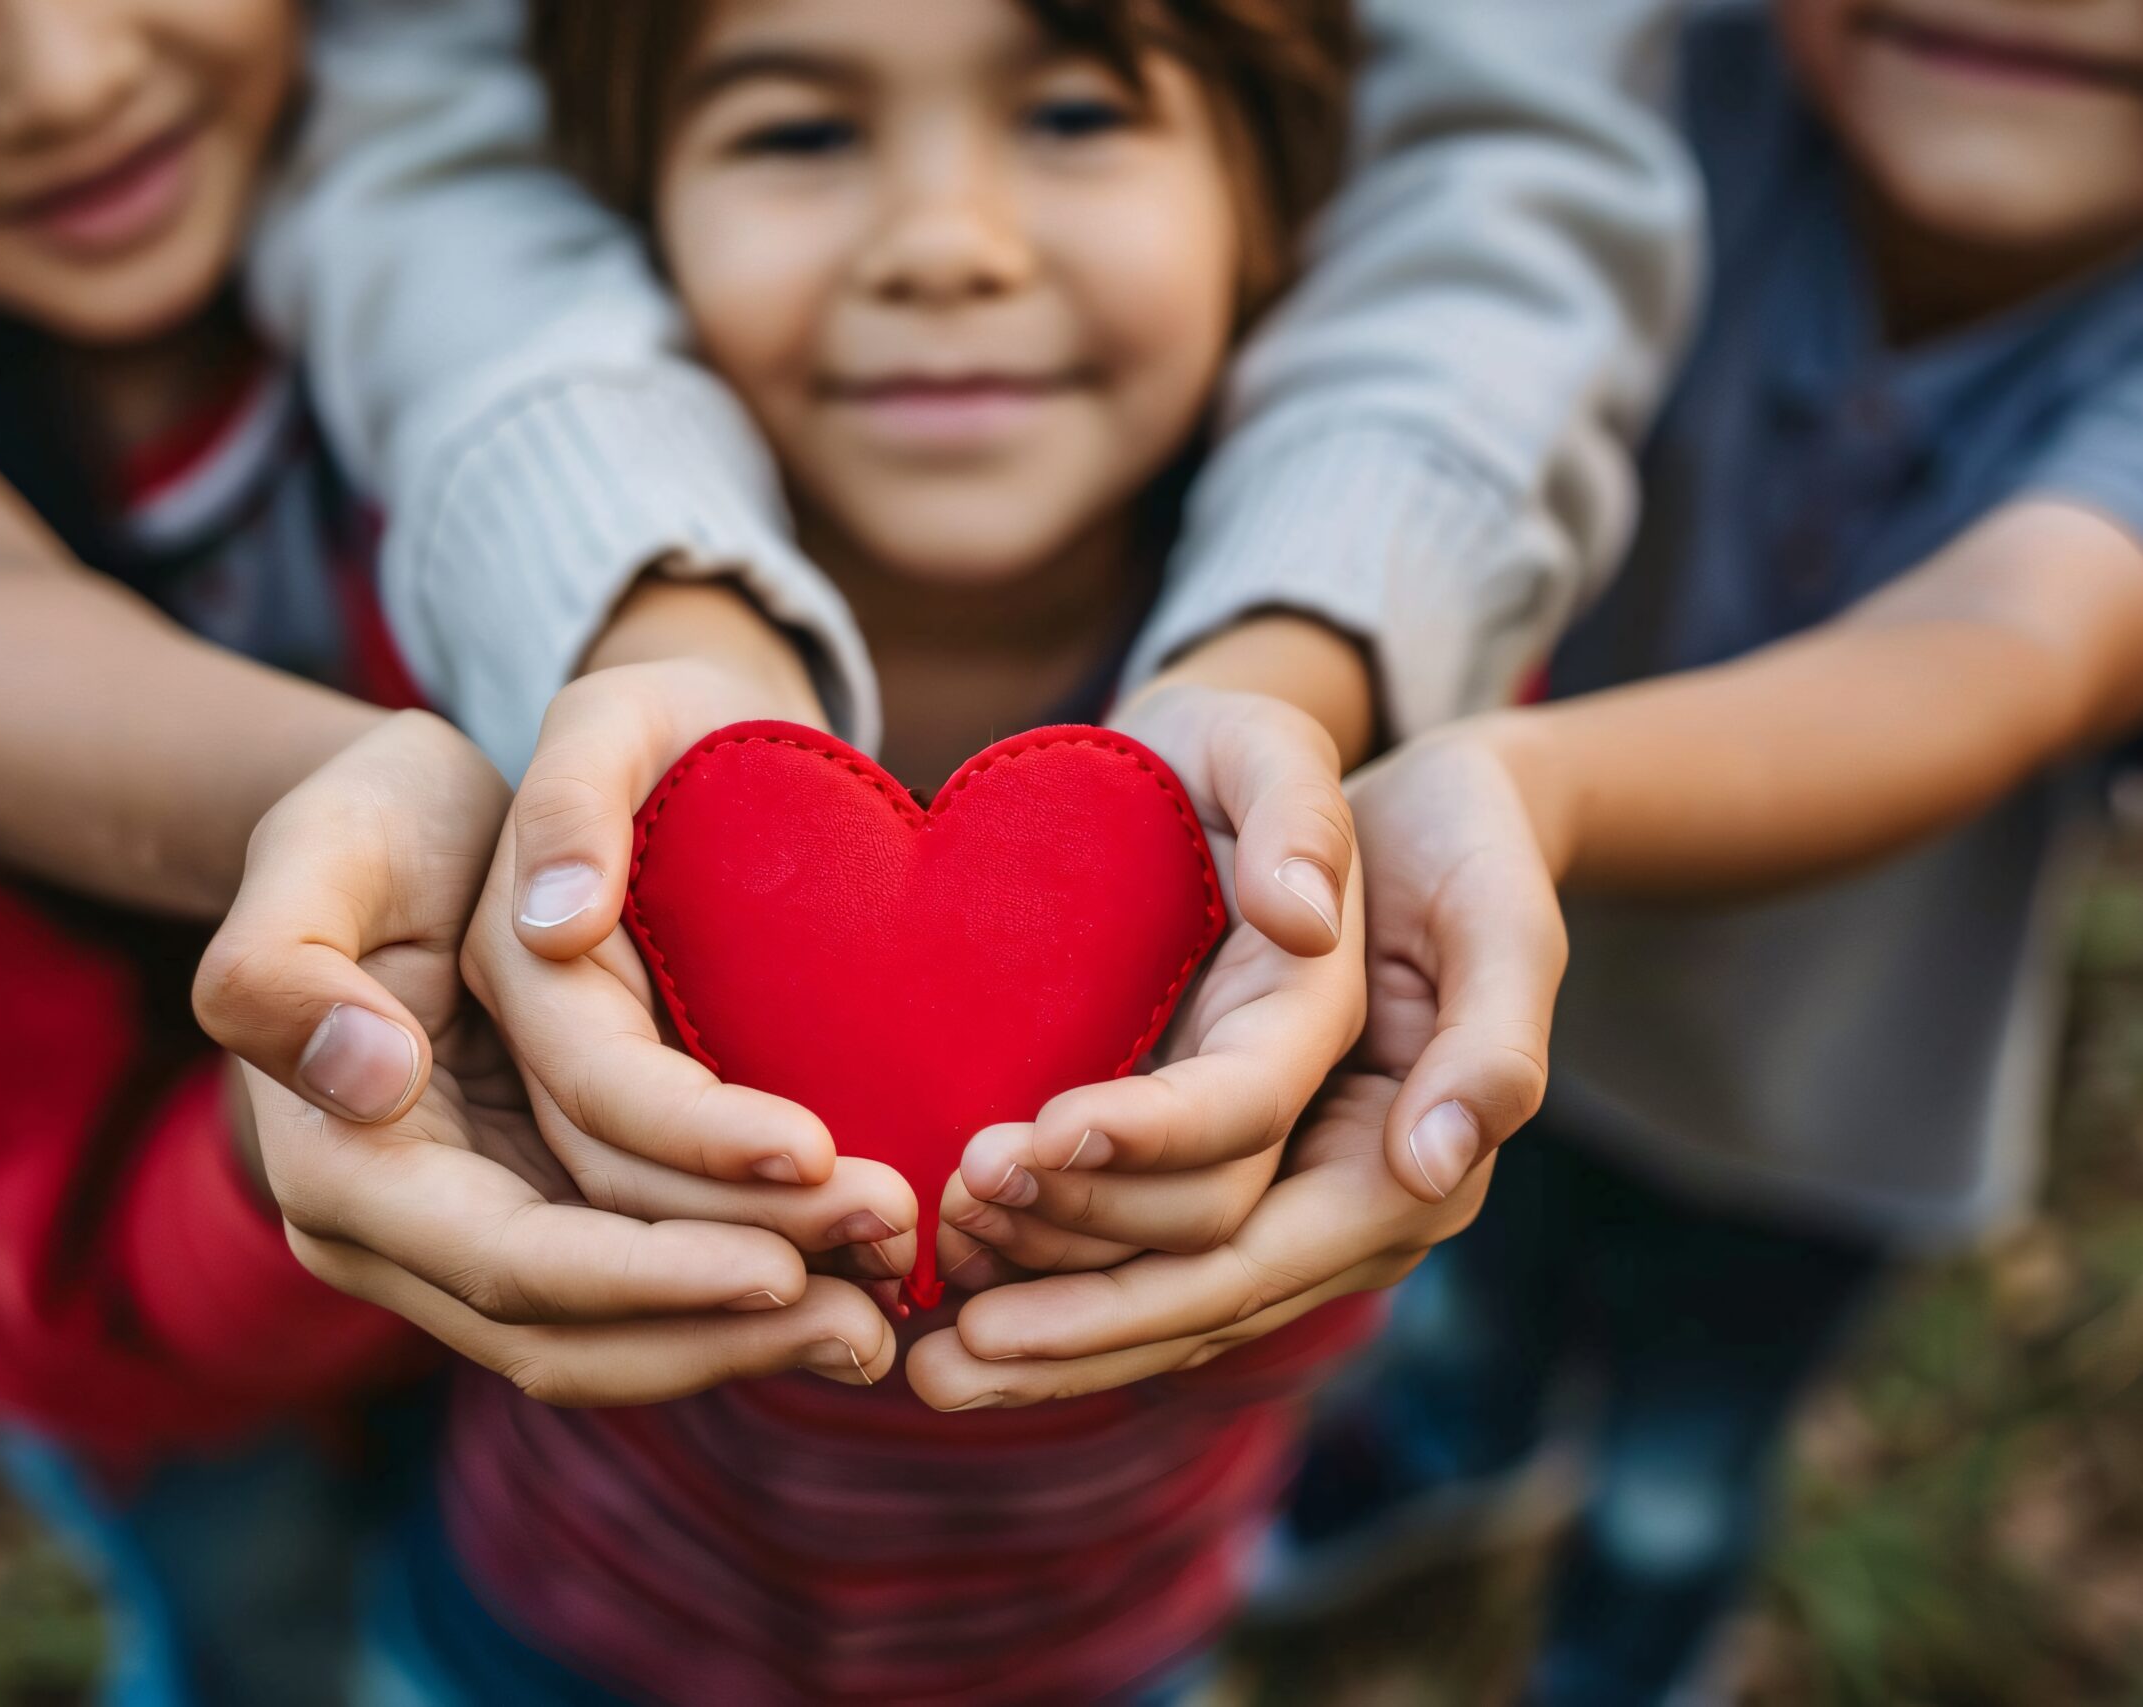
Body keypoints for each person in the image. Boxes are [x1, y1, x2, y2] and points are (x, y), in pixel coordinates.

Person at [195, 1, 1525, 1699]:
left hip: (1111, 1630)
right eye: (798, 132)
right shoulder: (538, 720)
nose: (943, 246)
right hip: (571, 1601)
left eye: (1076, 116)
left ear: (1271, 200)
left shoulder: (1364, 758)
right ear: (634, 216)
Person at [0, 0, 905, 1695]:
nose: (65, 76)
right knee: (262, 1641)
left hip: (548, 1279)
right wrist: (363, 827)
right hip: (149, 1329)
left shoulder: (472, 152)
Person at [1271, 0, 2143, 1699]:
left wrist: (1524, 787)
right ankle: (1443, 1449)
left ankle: (1629, 1650)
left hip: (1819, 1115)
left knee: (1678, 1471)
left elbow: (2007, 648)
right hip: (1506, 1021)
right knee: (1458, 1305)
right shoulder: (1659, 94)